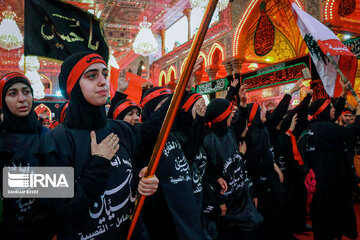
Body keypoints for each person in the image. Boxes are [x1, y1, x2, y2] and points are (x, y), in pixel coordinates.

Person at [38, 51, 159, 240]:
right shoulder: (54, 141)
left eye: (104, 73)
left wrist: (144, 181)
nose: (103, 81)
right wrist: (98, 163)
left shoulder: (123, 130)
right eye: (91, 76)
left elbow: (132, 179)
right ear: (73, 86)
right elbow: (60, 211)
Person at [0, 72, 51, 240]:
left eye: (26, 91)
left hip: (44, 229)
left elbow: (61, 184)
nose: (22, 99)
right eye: (13, 93)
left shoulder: (47, 136)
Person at [306, 91, 360, 240]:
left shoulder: (315, 125)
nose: (334, 110)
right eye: (330, 108)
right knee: (330, 219)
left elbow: (332, 117)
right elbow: (352, 131)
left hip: (322, 181)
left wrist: (342, 96)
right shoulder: (325, 128)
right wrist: (359, 115)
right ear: (323, 112)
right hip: (330, 183)